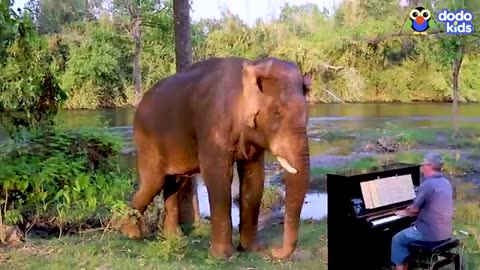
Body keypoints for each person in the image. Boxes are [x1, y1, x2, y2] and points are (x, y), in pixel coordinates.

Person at [390, 153, 454, 270]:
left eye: (423, 165)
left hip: (430, 233)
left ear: (429, 166)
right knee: (408, 228)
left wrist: (402, 212)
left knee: (397, 239)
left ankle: (399, 267)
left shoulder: (427, 184)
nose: (422, 168)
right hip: (446, 231)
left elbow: (414, 210)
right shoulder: (445, 182)